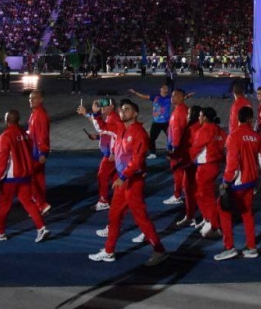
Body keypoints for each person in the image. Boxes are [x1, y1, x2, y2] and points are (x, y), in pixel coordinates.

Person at [89, 99, 169, 266]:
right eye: (121, 110)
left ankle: (159, 250)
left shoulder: (139, 133)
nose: (122, 112)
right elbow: (103, 128)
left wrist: (123, 177)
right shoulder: (120, 128)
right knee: (114, 215)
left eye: (126, 109)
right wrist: (96, 113)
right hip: (123, 181)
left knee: (140, 217)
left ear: (135, 113)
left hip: (132, 181)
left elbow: (137, 160)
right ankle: (109, 251)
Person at [0, 109, 49, 243]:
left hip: (10, 178)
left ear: (7, 121)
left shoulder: (5, 137)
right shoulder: (25, 134)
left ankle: (0, 232)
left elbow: (3, 160)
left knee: (3, 205)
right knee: (28, 203)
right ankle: (41, 227)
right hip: (25, 176)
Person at [215, 105, 261, 261]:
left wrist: (225, 182)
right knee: (247, 212)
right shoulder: (256, 136)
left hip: (237, 182)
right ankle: (252, 247)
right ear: (250, 119)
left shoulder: (234, 136)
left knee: (223, 210)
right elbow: (260, 160)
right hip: (251, 180)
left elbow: (232, 163)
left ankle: (229, 247)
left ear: (237, 118)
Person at [78, 98, 124, 211]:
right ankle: (122, 199)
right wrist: (98, 137)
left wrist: (113, 152)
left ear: (112, 106)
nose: (102, 108)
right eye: (101, 106)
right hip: (111, 152)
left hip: (111, 154)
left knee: (102, 175)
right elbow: (105, 129)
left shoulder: (114, 118)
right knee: (114, 177)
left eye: (105, 106)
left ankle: (103, 201)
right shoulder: (110, 116)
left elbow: (108, 130)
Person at [189, 106, 225, 238]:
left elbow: (195, 148)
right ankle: (208, 219)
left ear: (204, 117)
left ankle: (214, 225)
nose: (198, 117)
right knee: (200, 194)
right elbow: (223, 144)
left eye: (200, 115)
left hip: (205, 167)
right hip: (214, 165)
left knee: (206, 196)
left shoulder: (204, 130)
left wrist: (186, 160)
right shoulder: (218, 129)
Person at [128, 83, 173, 158]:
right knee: (152, 139)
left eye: (167, 88)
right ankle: (153, 153)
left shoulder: (170, 98)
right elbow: (144, 96)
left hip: (166, 122)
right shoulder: (155, 97)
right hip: (156, 123)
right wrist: (135, 92)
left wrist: (187, 96)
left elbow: (179, 98)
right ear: (160, 89)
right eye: (164, 88)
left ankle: (171, 151)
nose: (166, 89)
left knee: (171, 138)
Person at [26, 89, 51, 215]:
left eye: (34, 98)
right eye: (30, 98)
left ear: (41, 100)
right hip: (36, 151)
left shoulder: (40, 115)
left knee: (29, 178)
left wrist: (43, 152)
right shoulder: (35, 113)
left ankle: (41, 204)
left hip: (37, 153)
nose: (31, 100)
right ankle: (40, 204)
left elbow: (43, 135)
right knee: (38, 179)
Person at [164, 88, 191, 206]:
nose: (172, 98)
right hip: (181, 148)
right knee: (182, 173)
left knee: (178, 173)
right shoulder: (182, 109)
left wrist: (174, 150)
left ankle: (177, 195)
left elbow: (177, 132)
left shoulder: (179, 112)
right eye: (172, 95)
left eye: (174, 96)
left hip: (177, 149)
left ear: (181, 97)